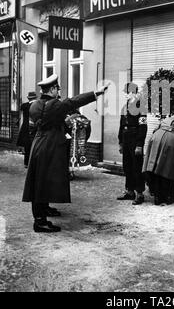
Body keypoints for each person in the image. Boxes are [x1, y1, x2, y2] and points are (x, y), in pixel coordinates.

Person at [22, 74, 109, 233]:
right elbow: (74, 101)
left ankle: (44, 209)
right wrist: (96, 93)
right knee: (43, 182)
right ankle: (40, 221)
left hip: (38, 145)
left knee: (41, 180)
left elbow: (42, 123)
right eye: (57, 89)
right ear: (53, 89)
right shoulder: (55, 105)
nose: (58, 92)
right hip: (50, 146)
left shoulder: (34, 105)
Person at [142, 109, 174, 205]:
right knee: (168, 169)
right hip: (170, 140)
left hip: (156, 137)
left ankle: (157, 196)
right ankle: (167, 196)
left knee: (155, 167)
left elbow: (155, 130)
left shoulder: (167, 119)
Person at [117, 83, 147, 205]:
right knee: (127, 166)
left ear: (133, 93)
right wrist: (120, 142)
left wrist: (139, 144)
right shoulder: (124, 108)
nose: (125, 95)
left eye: (127, 92)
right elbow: (121, 126)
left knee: (137, 168)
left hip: (135, 140)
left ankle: (139, 193)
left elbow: (143, 127)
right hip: (126, 140)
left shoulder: (141, 108)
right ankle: (129, 191)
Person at [16, 91, 37, 167]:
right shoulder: (37, 105)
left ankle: (26, 163)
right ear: (35, 98)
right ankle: (33, 163)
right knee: (34, 145)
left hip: (25, 127)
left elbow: (21, 117)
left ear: (28, 98)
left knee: (27, 146)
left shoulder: (24, 106)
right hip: (34, 127)